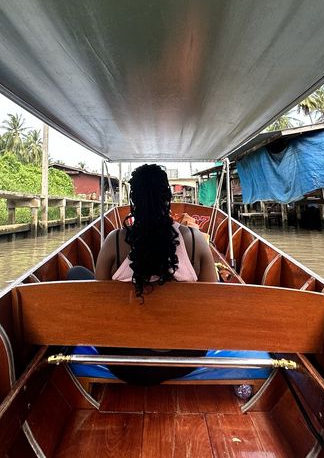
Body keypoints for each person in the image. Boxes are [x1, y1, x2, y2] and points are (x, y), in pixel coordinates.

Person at [68, 163, 217, 384]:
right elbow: (215, 305)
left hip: (124, 362)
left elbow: (98, 305)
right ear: (168, 197)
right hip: (185, 360)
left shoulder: (115, 242)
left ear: (133, 200)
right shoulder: (196, 241)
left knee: (76, 273)